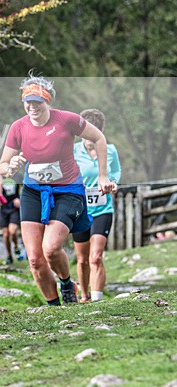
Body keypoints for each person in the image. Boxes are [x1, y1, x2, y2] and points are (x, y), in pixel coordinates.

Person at [0, 75, 115, 306]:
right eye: (27, 101)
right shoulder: (18, 127)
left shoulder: (67, 120)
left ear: (47, 101)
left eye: (37, 102)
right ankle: (54, 307)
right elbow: (3, 166)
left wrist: (103, 176)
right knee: (34, 259)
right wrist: (10, 167)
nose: (32, 107)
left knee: (51, 248)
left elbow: (99, 138)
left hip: (68, 190)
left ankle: (66, 283)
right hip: (33, 191)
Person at [73, 109, 121, 302]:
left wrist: (113, 182)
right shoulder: (73, 150)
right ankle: (84, 296)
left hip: (103, 208)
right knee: (83, 258)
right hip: (80, 209)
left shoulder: (110, 150)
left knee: (96, 256)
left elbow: (116, 172)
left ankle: (97, 299)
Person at [0, 172, 24, 265]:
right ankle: (9, 255)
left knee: (12, 231)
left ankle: (16, 247)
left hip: (14, 207)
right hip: (3, 208)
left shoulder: (18, 175)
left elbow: (25, 189)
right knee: (6, 234)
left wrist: (19, 198)